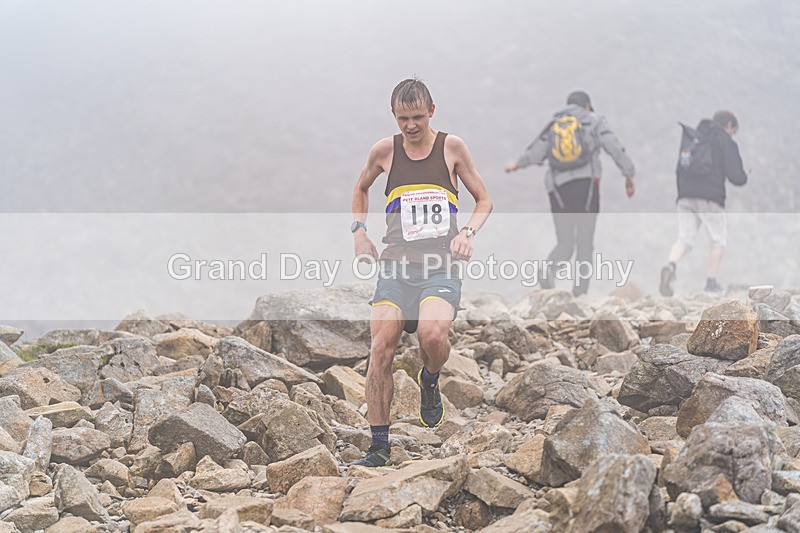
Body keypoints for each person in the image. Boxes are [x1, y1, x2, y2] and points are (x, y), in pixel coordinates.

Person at [350, 78, 492, 467]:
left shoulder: (452, 148)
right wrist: (360, 232)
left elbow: (484, 199)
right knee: (382, 345)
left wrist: (468, 232)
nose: (410, 126)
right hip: (396, 265)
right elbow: (360, 190)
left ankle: (430, 379)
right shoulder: (383, 151)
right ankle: (378, 447)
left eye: (416, 117)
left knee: (432, 336)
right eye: (402, 118)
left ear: (432, 110)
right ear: (393, 116)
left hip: (439, 266)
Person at [505, 91, 636, 296]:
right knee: (585, 242)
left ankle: (548, 269)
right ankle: (580, 293)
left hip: (558, 189)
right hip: (586, 187)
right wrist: (629, 174)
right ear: (587, 106)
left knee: (565, 242)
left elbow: (535, 152)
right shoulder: (594, 120)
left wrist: (516, 165)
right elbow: (614, 147)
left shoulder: (554, 125)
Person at [659, 110, 748, 296]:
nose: (732, 134)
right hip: (710, 198)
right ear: (729, 125)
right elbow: (736, 177)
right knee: (718, 239)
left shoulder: (694, 139)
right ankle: (711, 282)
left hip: (685, 197)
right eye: (733, 130)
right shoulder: (724, 140)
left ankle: (670, 265)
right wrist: (745, 174)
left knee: (684, 238)